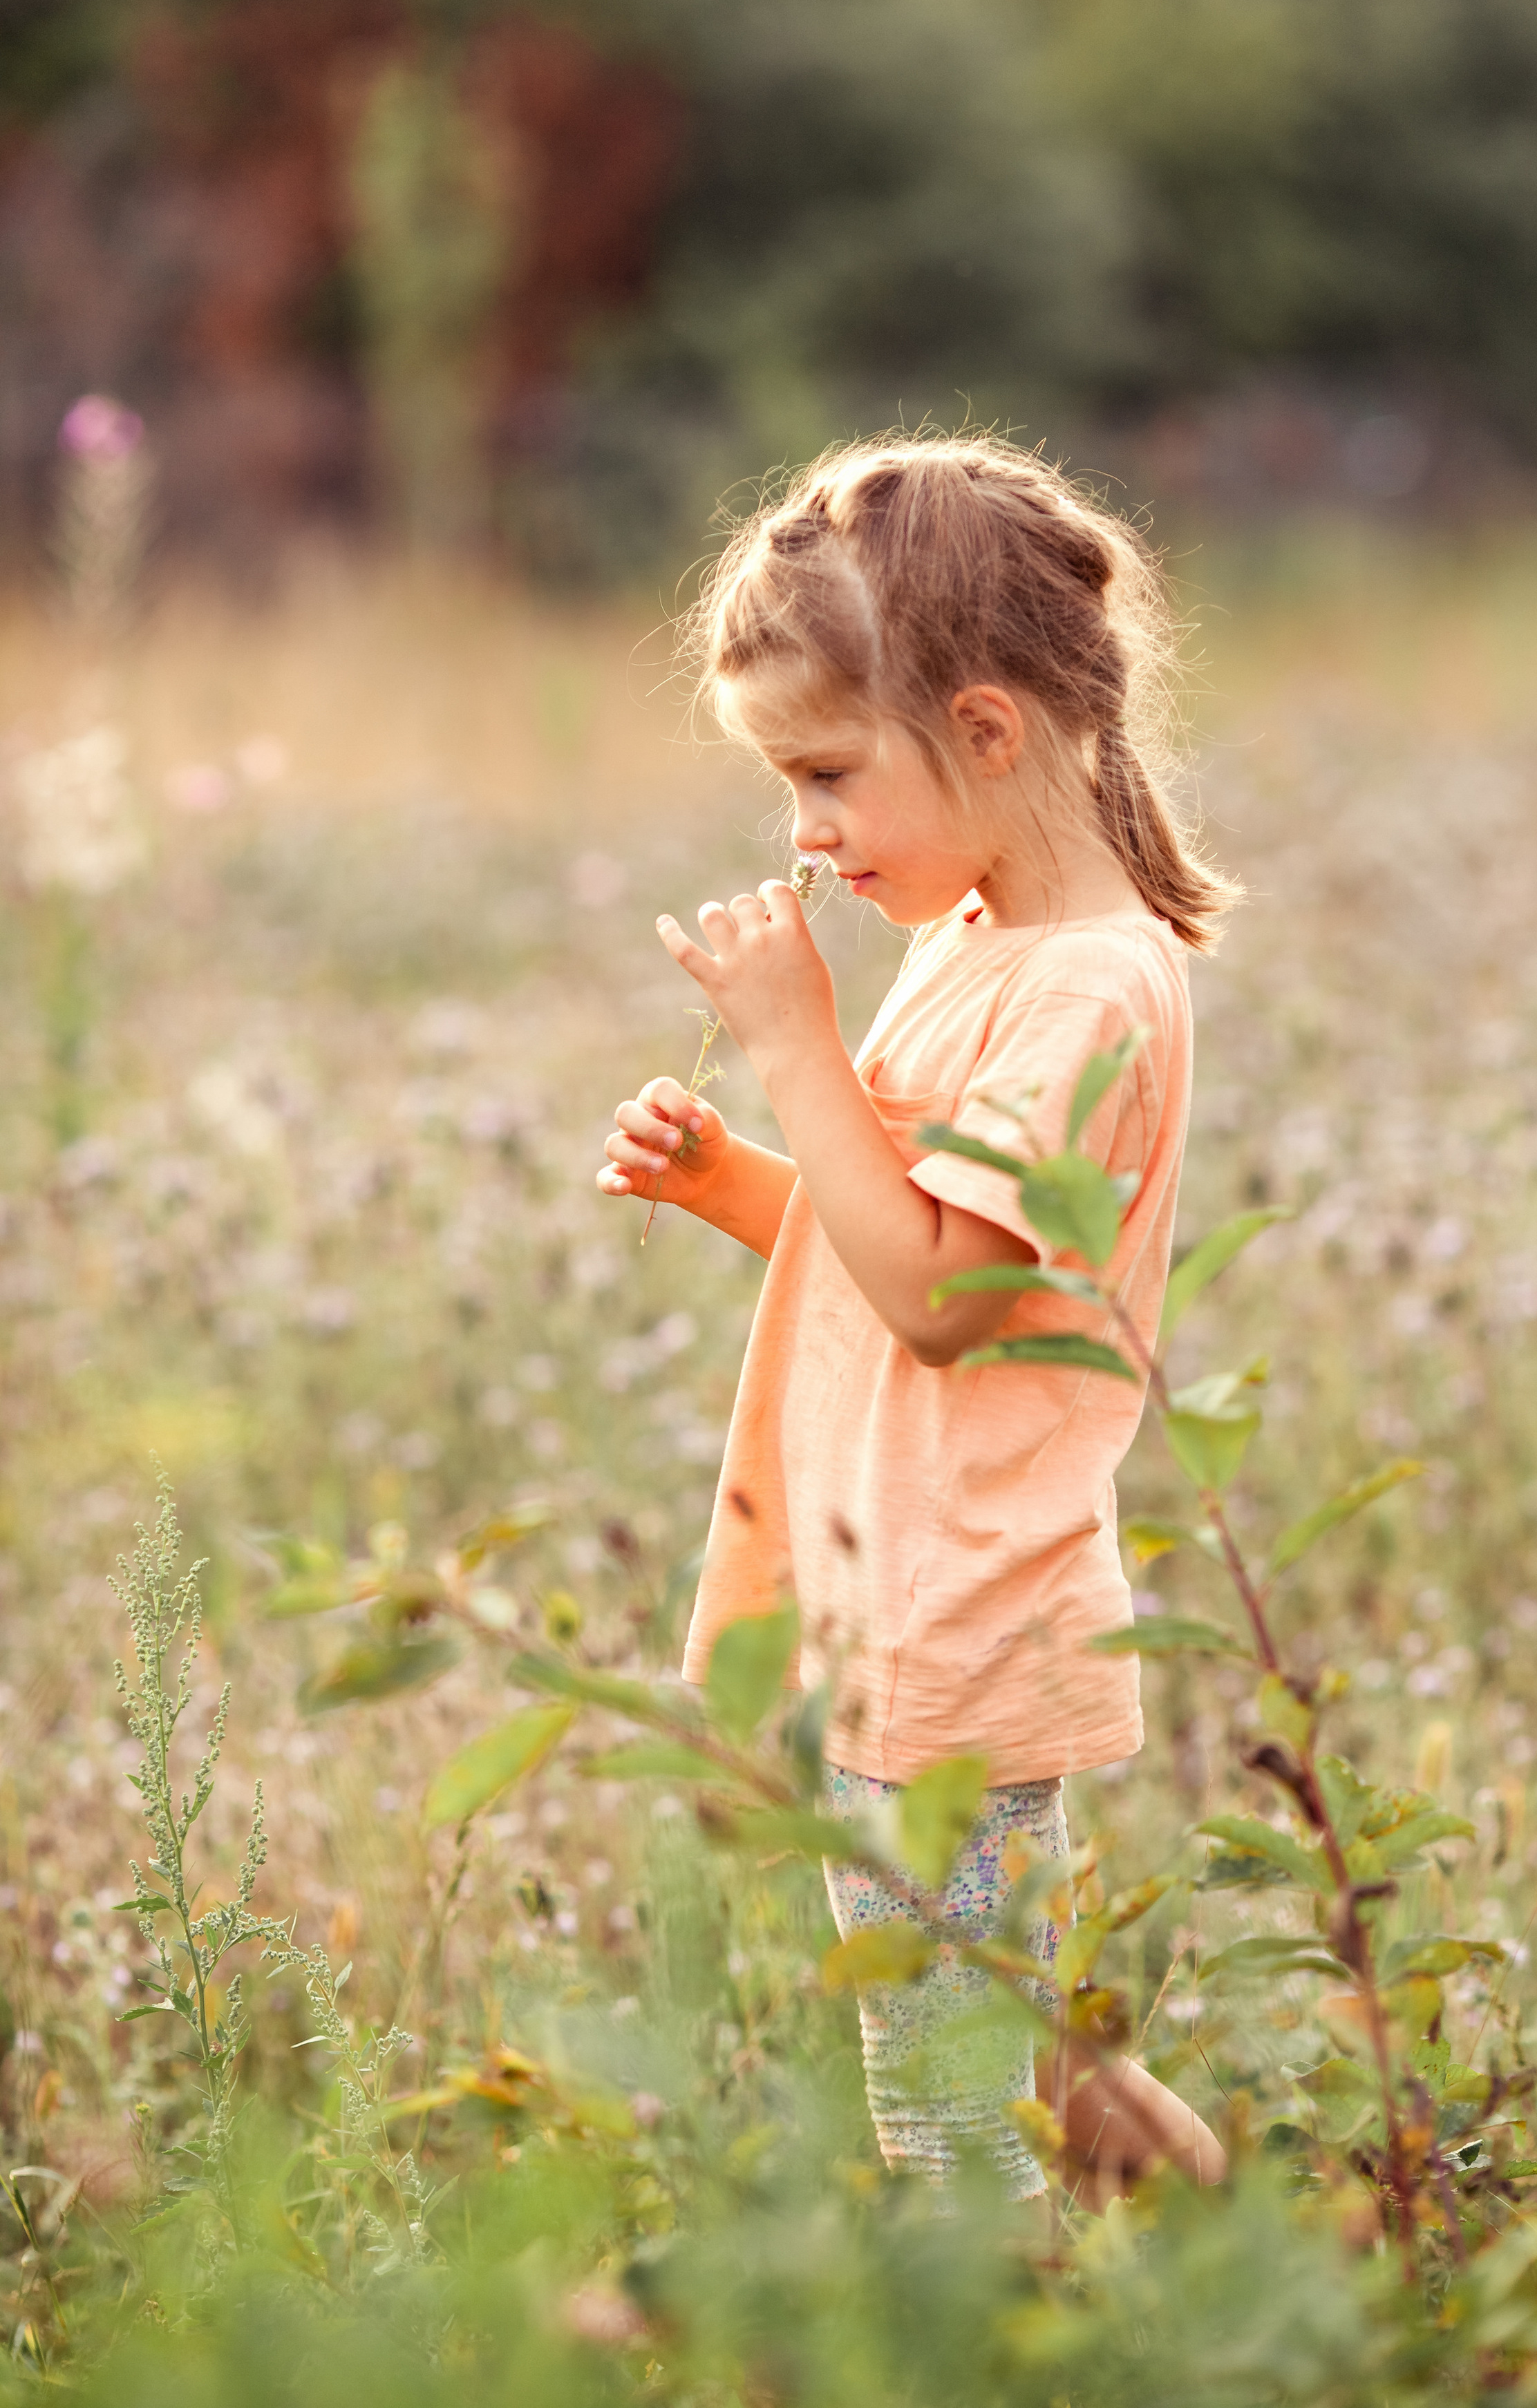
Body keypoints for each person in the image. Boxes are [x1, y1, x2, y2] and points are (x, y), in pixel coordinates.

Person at [598, 437, 1233, 2210]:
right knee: (1020, 2049)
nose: (800, 832)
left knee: (955, 2121)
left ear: (984, 729)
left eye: (822, 773)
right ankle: (1265, 2255)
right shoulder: (965, 933)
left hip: (961, 1623)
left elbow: (949, 1306)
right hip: (898, 1599)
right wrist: (729, 1173)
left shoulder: (1090, 989)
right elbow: (895, 1250)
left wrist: (797, 1042)